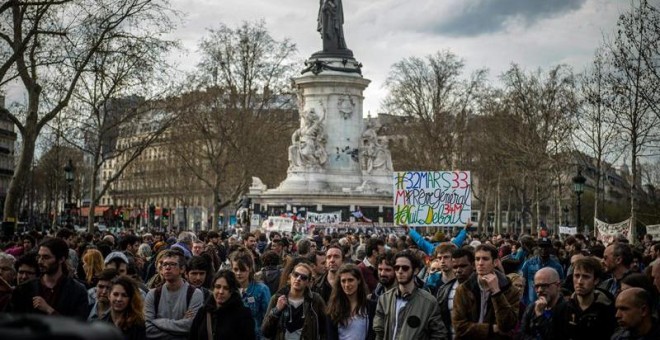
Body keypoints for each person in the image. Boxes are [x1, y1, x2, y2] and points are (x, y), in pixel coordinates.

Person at [373, 250, 447, 339]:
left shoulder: (429, 302)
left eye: (405, 268)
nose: (400, 271)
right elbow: (379, 332)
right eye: (397, 268)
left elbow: (439, 334)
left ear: (415, 271)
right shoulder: (384, 299)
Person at [452, 244, 520, 339]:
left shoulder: (510, 290)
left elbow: (507, 326)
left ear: (495, 262)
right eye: (477, 259)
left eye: (485, 259)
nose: (480, 263)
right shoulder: (463, 289)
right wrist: (491, 329)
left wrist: (497, 292)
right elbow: (459, 327)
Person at [9, 237, 89, 320]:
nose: (40, 261)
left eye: (46, 257)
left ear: (61, 259)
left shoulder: (77, 291)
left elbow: (79, 325)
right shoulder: (24, 289)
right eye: (39, 257)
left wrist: (49, 310)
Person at [144, 249, 204, 339]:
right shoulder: (152, 294)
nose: (168, 268)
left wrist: (158, 322)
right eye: (165, 264)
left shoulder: (195, 294)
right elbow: (147, 329)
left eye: (172, 264)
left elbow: (190, 326)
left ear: (182, 269)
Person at [554, 257, 616, 339]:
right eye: (576, 276)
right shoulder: (562, 309)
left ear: (596, 280)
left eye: (586, 277)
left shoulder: (608, 309)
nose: (580, 282)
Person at [262, 262, 327, 339]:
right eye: (296, 274)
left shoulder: (315, 300)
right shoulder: (277, 298)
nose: (298, 279)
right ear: (290, 277)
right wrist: (277, 310)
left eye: (303, 277)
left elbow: (325, 328)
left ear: (308, 282)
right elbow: (265, 331)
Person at [189, 270, 256, 340]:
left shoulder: (243, 315)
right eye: (218, 287)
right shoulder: (203, 312)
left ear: (232, 291)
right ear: (213, 288)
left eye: (226, 288)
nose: (221, 292)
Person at [326, 264, 376, 340]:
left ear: (358, 280)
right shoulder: (333, 308)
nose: (347, 285)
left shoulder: (371, 306)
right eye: (343, 281)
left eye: (350, 280)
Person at [230, 248, 271, 339]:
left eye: (242, 269)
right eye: (235, 269)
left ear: (250, 269)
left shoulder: (262, 289)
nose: (238, 273)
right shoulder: (230, 289)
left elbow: (267, 319)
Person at [436, 247, 475, 339]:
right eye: (455, 267)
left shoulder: (482, 288)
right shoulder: (444, 290)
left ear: (473, 265)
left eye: (463, 266)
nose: (458, 270)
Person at [519, 267, 565, 340]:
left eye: (544, 285)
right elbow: (520, 334)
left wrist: (540, 316)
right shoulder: (531, 307)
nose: (539, 290)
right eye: (537, 286)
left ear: (558, 286)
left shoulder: (566, 309)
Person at [519, 237, 565, 306]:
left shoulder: (557, 266)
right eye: (541, 247)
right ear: (537, 248)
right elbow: (522, 283)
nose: (544, 249)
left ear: (550, 248)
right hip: (531, 304)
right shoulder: (528, 264)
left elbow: (560, 286)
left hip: (550, 305)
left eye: (546, 247)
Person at [100, 275, 146, 340]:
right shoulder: (102, 322)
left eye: (124, 295)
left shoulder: (137, 324)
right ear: (109, 295)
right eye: (115, 294)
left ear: (130, 298)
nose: (119, 299)